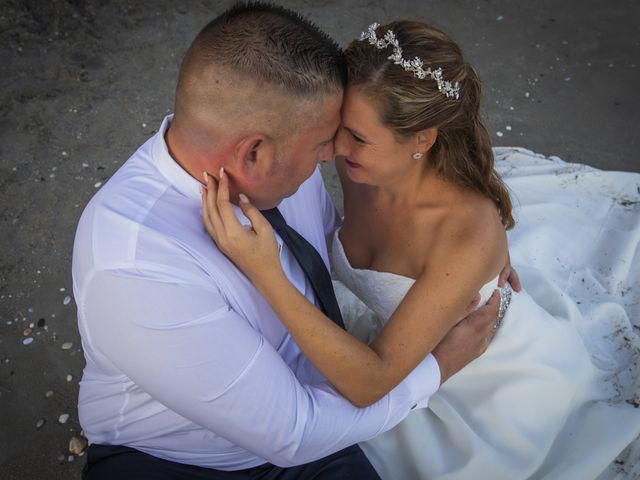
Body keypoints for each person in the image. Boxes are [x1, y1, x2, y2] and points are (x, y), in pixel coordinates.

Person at [72, 5, 509, 479]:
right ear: (254, 153)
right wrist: (436, 367)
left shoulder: (285, 168)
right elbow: (295, 433)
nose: (333, 154)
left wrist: (462, 263)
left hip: (322, 406)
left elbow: (326, 244)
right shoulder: (135, 266)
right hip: (180, 460)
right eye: (324, 141)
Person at [204, 20, 640, 479]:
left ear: (423, 140)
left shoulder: (463, 234)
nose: (333, 150)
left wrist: (266, 272)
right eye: (339, 128)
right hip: (399, 344)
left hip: (483, 388)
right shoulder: (364, 171)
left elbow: (369, 384)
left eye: (358, 138)